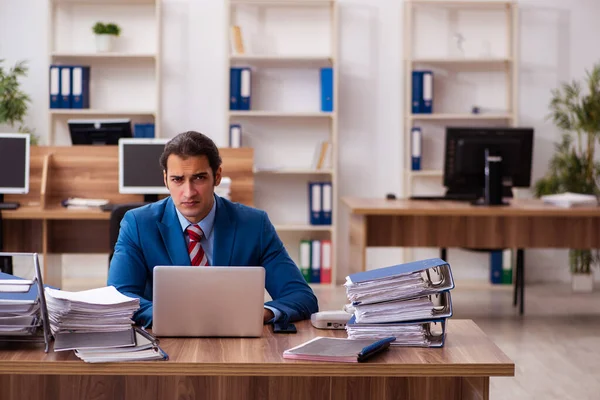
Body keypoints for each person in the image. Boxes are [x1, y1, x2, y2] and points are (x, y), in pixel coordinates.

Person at [107, 131, 319, 328]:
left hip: (237, 340)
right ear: (165, 180)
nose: (188, 192)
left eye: (199, 178)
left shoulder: (255, 225)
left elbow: (301, 296)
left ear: (217, 176)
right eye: (177, 180)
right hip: (167, 339)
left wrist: (259, 313)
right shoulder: (137, 223)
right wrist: (178, 317)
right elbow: (120, 296)